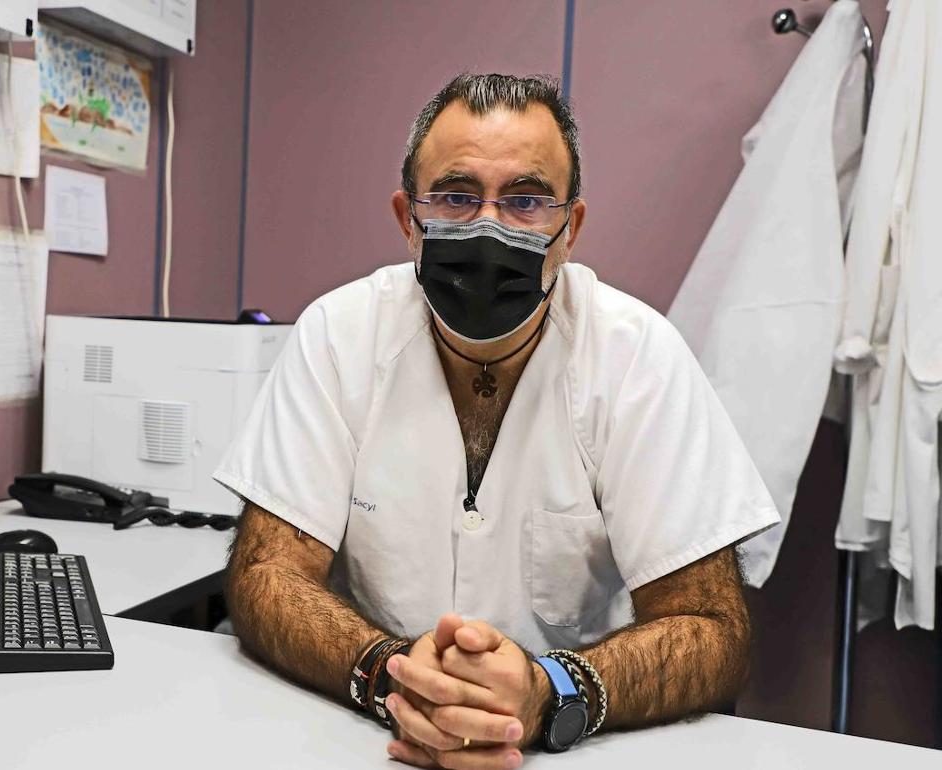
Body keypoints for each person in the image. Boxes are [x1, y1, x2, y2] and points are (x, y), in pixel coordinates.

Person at [215, 73, 780, 767]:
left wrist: (548, 692)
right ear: (406, 219)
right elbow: (266, 572)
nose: (487, 226)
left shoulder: (638, 357)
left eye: (525, 201)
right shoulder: (338, 334)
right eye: (455, 197)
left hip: (567, 745)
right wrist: (396, 679)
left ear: (569, 230)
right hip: (365, 732)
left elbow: (712, 629)